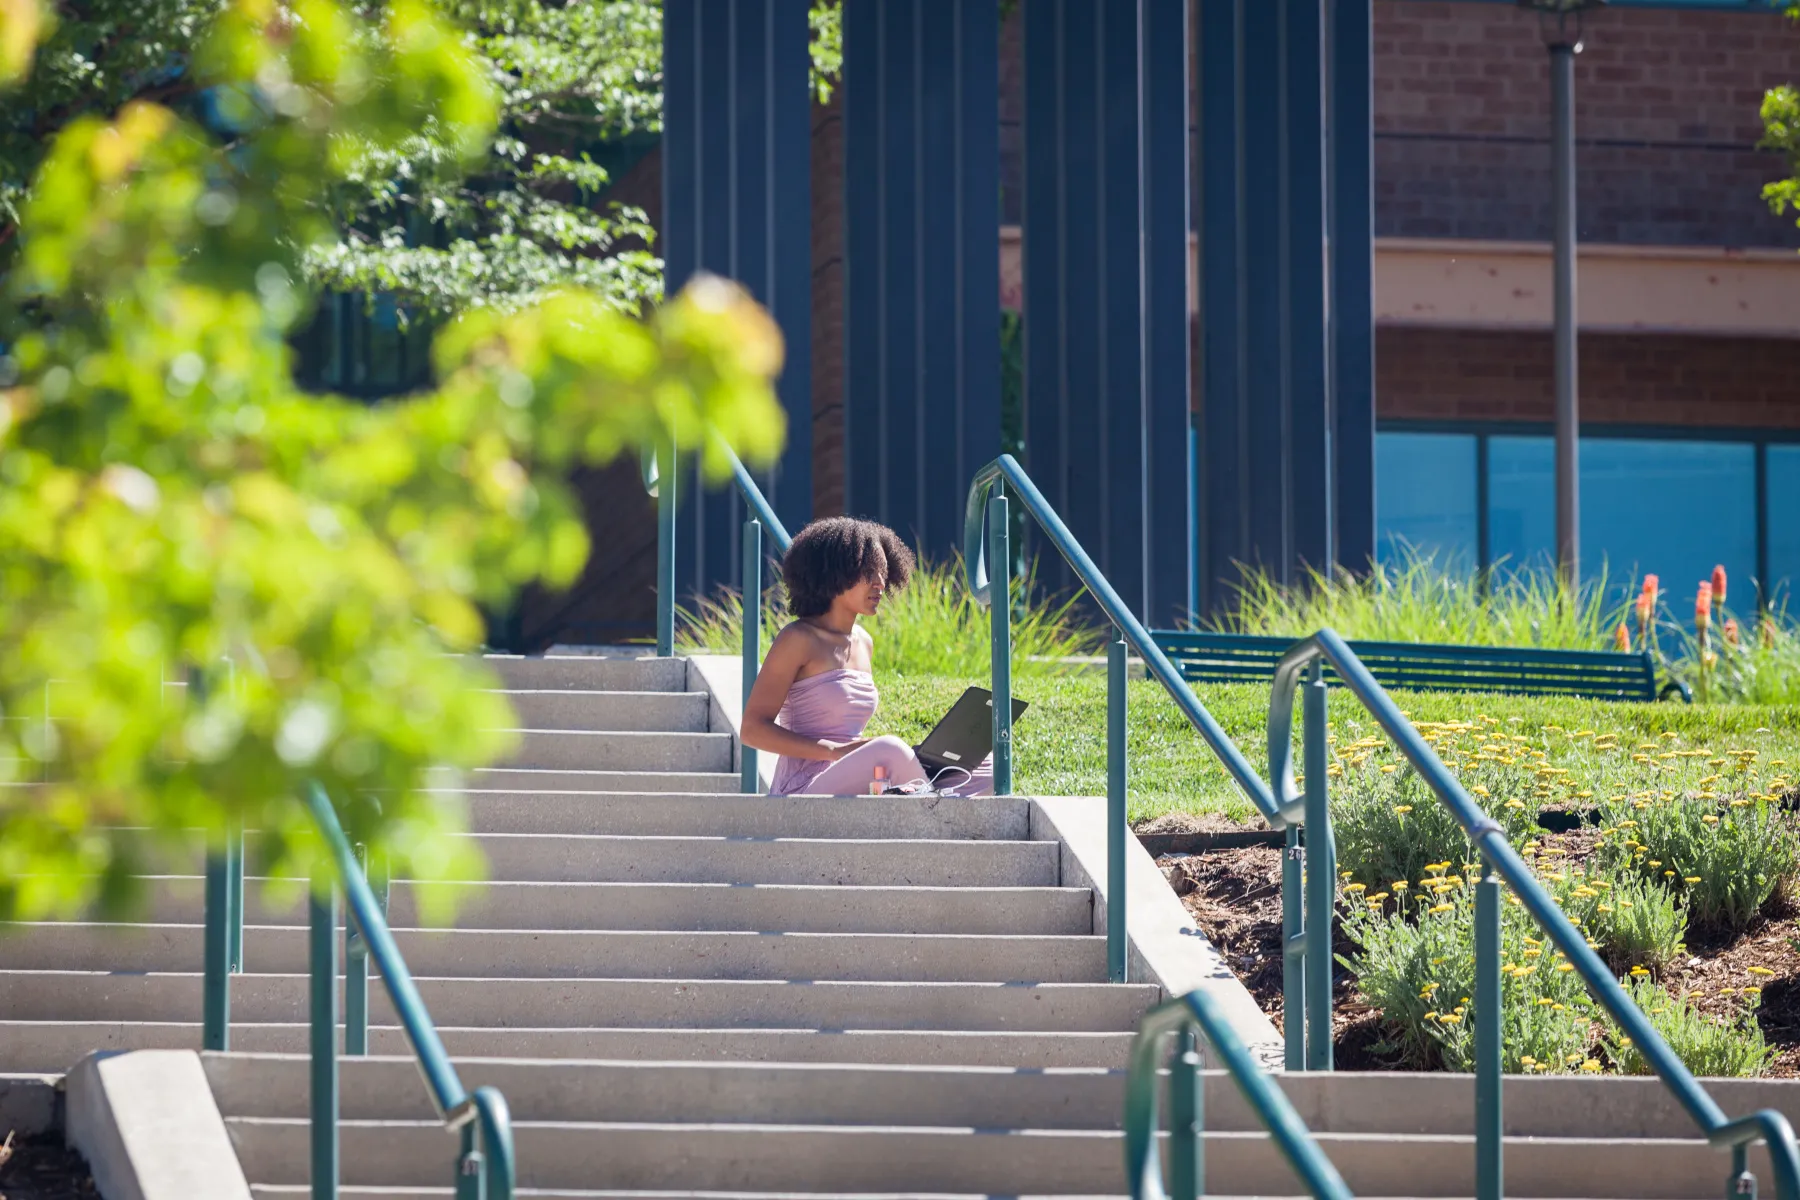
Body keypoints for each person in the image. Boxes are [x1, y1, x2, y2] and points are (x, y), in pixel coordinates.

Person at [742, 516, 993, 797]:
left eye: (884, 573)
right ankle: (932, 804)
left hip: (856, 774)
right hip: (804, 786)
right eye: (868, 573)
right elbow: (752, 729)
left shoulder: (864, 642)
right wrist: (834, 751)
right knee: (890, 750)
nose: (880, 584)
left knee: (986, 768)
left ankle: (931, 799)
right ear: (835, 572)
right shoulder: (798, 638)